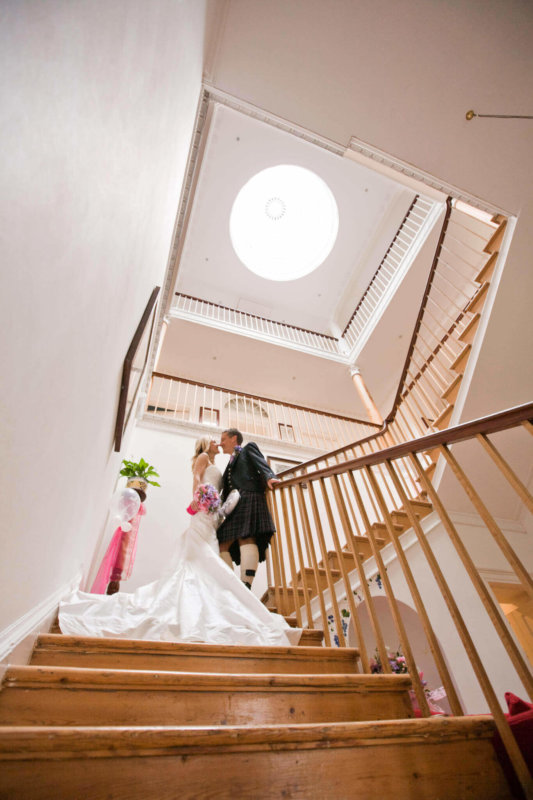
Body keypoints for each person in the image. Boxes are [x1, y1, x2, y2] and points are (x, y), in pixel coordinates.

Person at [59, 437, 299, 647]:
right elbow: (197, 476)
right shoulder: (204, 456)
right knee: (203, 555)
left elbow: (231, 481)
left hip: (213, 515)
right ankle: (229, 591)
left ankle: (229, 591)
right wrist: (198, 498)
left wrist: (220, 504)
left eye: (221, 439)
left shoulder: (223, 463)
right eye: (214, 440)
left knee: (210, 552)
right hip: (203, 511)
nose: (218, 442)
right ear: (206, 444)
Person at [217, 429, 280, 590]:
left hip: (249, 496)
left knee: (246, 537)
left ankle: (246, 584)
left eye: (223, 439)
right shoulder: (230, 462)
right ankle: (231, 584)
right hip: (235, 504)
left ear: (234, 438)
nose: (221, 443)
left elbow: (261, 463)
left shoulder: (248, 448)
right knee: (221, 542)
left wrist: (269, 476)